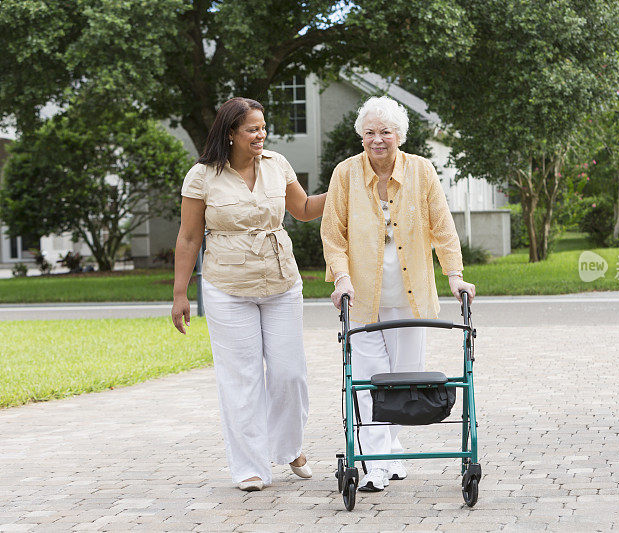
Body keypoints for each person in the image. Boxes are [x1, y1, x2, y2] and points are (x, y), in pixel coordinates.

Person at [320, 96, 476, 492]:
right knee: (371, 382)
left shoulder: (422, 171)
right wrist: (341, 278)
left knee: (404, 381)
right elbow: (333, 233)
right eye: (370, 132)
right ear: (361, 136)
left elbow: (443, 227)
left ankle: (391, 453)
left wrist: (454, 276)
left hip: (411, 298)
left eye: (385, 132)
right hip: (362, 296)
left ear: (399, 136)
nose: (377, 140)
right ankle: (376, 465)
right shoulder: (345, 174)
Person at [171, 97, 326, 492]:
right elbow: (189, 237)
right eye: (252, 129)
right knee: (242, 380)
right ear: (230, 134)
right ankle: (249, 467)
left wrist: (345, 187)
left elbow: (305, 209)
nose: (261, 135)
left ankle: (289, 447)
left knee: (290, 374)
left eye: (262, 127)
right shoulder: (202, 175)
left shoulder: (277, 165)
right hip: (227, 286)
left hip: (281, 280)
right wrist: (179, 293)